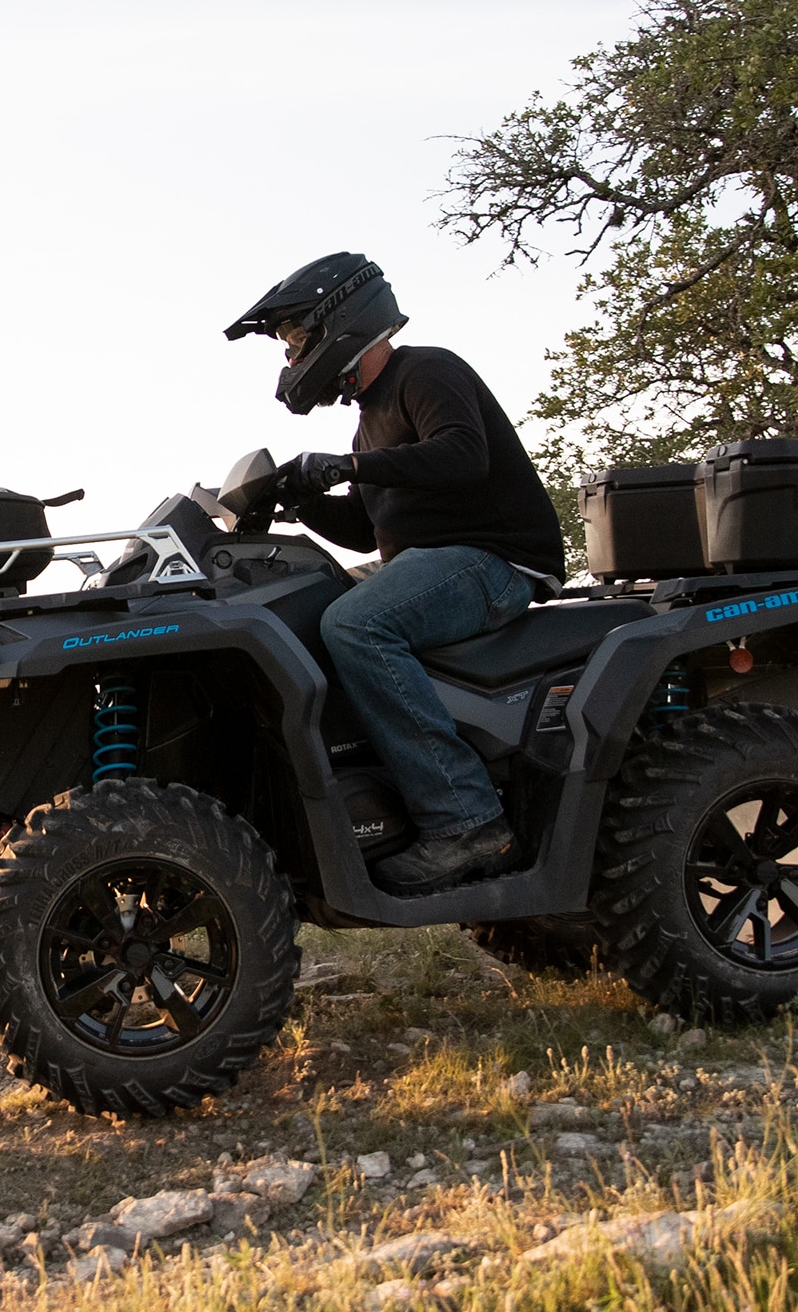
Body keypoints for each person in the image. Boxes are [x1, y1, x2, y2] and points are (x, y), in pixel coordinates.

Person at [223, 252, 568, 893]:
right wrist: (296, 501)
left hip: (498, 560)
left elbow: (462, 454)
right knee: (308, 611)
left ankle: (468, 822)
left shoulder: (425, 370)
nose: (292, 355)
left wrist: (348, 469)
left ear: (342, 319)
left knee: (355, 624)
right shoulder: (366, 426)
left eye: (296, 336)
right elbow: (365, 528)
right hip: (429, 563)